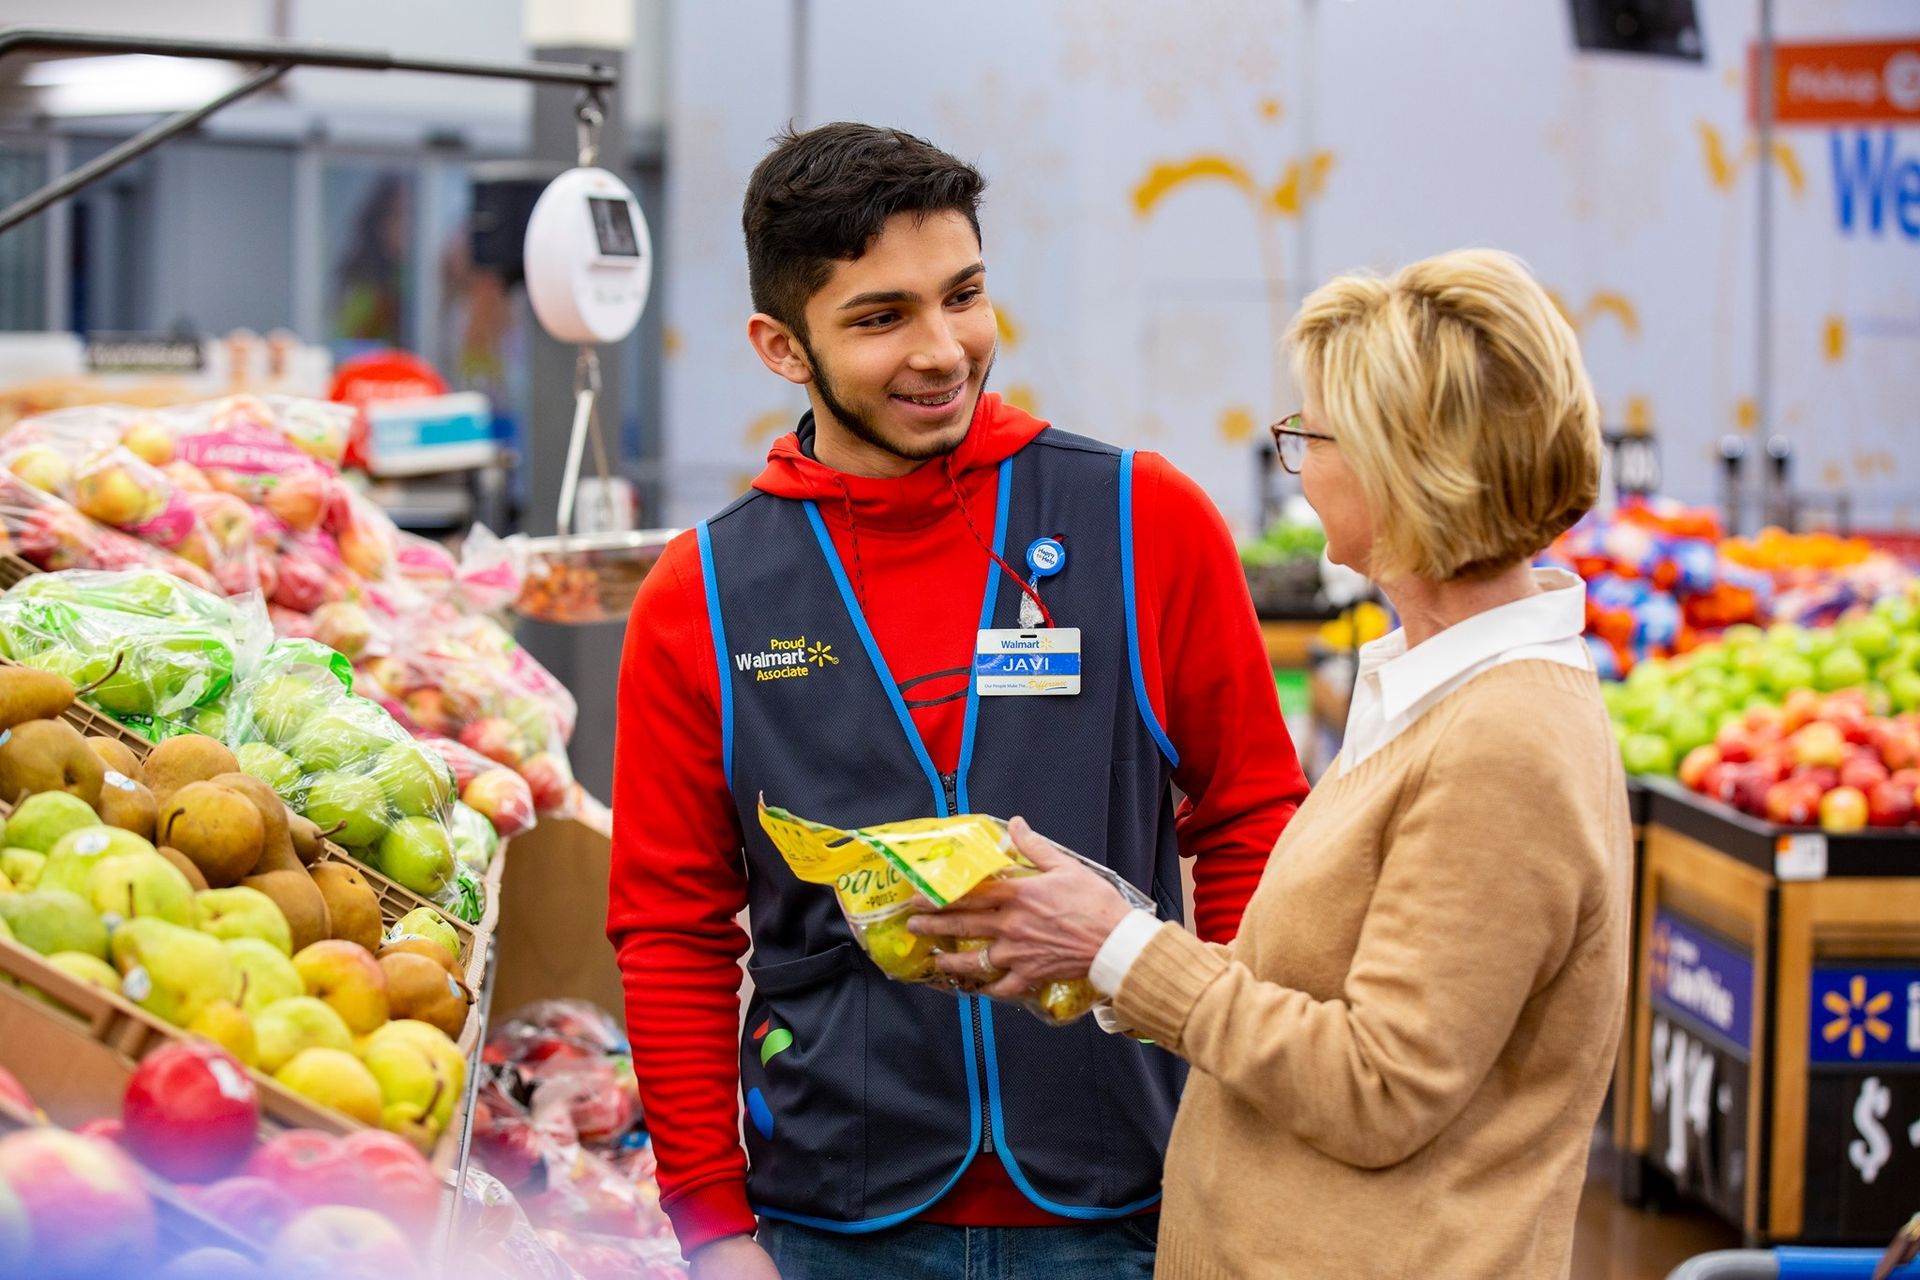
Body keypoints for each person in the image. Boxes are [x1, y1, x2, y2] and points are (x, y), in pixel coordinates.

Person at [606, 122, 1308, 1280]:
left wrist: (1251, 1102)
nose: (944, 349)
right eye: (881, 317)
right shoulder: (707, 595)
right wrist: (713, 1228)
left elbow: (1248, 820)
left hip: (1132, 1199)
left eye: (964, 295)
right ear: (782, 346)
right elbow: (671, 926)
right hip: (831, 1217)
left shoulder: (1142, 521)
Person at [916, 249, 1631, 1278]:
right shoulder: (1436, 693)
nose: (1302, 462)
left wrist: (1120, 946)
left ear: (1407, 463)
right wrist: (1094, 935)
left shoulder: (1503, 741)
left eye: (1312, 433)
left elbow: (1379, 1084)